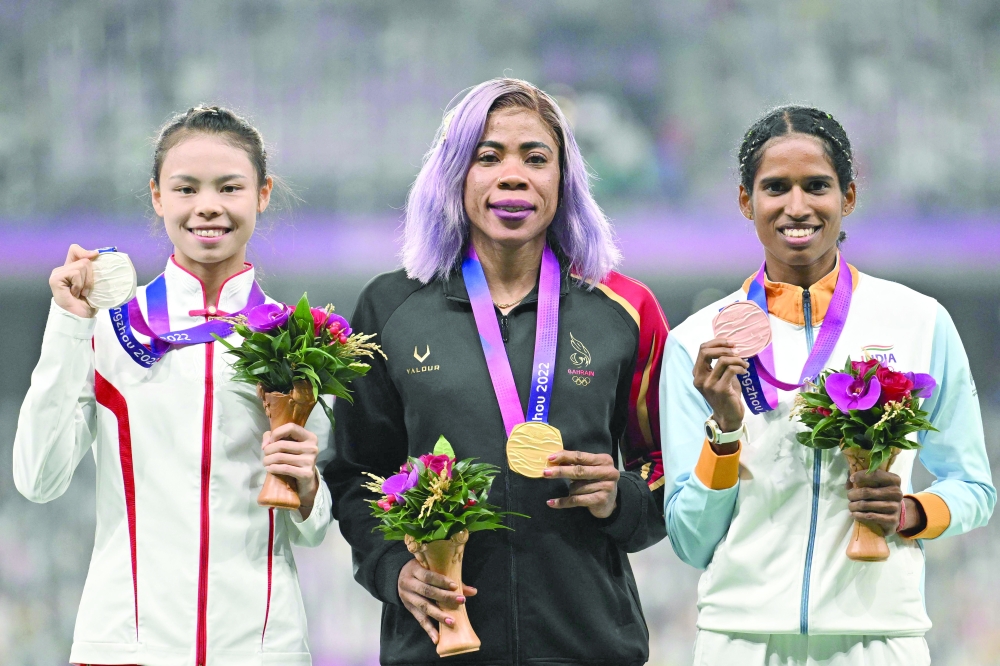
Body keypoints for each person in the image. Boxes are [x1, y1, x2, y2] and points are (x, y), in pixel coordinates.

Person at [325, 78, 669, 665]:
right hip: (439, 648)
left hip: (590, 648)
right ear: (455, 174)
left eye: (536, 158)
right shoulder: (390, 308)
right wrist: (392, 570)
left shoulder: (626, 310)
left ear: (564, 180)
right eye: (488, 157)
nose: (514, 176)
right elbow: (357, 473)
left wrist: (623, 497)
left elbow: (667, 469)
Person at [659, 105, 995, 665]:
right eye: (775, 187)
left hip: (880, 639)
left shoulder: (919, 321)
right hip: (739, 642)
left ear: (849, 196)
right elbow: (692, 541)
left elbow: (974, 488)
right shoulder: (697, 343)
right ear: (747, 201)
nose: (797, 206)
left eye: (817, 185)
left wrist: (912, 511)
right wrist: (724, 432)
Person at [14, 106, 332, 665]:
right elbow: (38, 477)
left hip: (263, 648)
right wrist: (68, 323)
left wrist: (308, 489)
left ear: (262, 194)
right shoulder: (108, 327)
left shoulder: (300, 342)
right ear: (158, 196)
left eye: (229, 187)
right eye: (186, 188)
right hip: (127, 645)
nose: (207, 205)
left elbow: (312, 531)